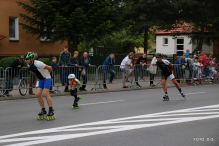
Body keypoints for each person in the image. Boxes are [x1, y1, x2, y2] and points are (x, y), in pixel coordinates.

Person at [24, 52, 56, 121]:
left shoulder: (38, 63)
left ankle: (51, 110)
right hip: (40, 79)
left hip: (47, 78)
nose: (25, 60)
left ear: (31, 59)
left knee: (45, 94)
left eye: (26, 59)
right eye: (25, 59)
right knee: (38, 94)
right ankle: (43, 110)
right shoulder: (29, 65)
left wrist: (48, 73)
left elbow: (50, 68)